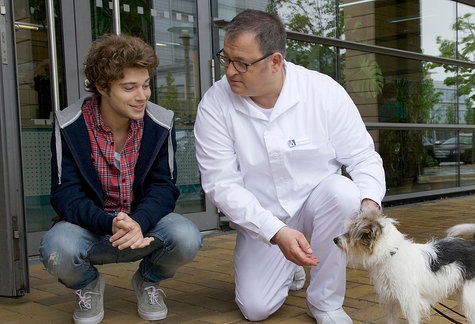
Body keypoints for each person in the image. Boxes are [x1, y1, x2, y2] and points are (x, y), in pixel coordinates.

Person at [194, 9, 386, 324]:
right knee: (256, 308)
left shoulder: (323, 92)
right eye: (226, 59)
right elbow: (222, 184)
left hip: (318, 207)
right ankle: (288, 265)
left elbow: (363, 156)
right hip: (264, 219)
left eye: (241, 63)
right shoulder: (215, 104)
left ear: (275, 61)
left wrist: (368, 206)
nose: (230, 71)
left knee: (344, 193)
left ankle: (325, 303)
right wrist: (276, 231)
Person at [39, 34, 202, 324]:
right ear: (102, 87)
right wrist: (110, 222)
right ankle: (88, 285)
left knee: (187, 236)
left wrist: (138, 221)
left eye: (146, 84)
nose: (143, 95)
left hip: (144, 226)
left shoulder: (160, 122)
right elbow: (65, 194)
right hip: (91, 227)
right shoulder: (69, 124)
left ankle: (148, 281)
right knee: (57, 249)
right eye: (130, 88)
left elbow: (164, 187)